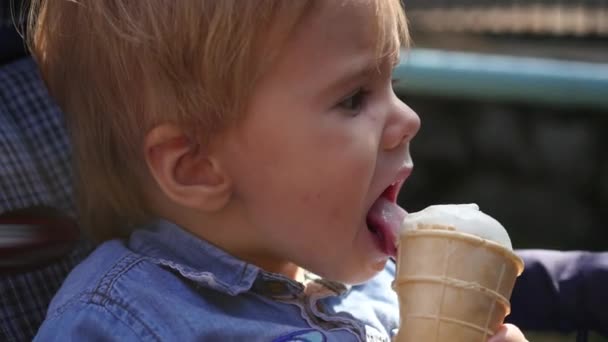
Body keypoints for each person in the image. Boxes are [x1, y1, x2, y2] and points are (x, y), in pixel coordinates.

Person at [28, 1, 527, 341]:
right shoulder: (118, 322)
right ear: (198, 168)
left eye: (391, 81)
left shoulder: (380, 290)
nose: (408, 120)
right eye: (353, 98)